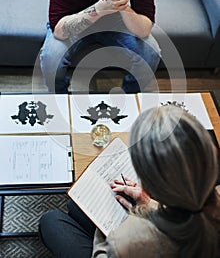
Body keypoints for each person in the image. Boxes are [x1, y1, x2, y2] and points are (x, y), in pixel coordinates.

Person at [39, 105, 220, 257]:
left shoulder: (127, 240)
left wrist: (110, 229)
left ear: (149, 185)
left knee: (51, 221)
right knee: (74, 206)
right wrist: (149, 204)